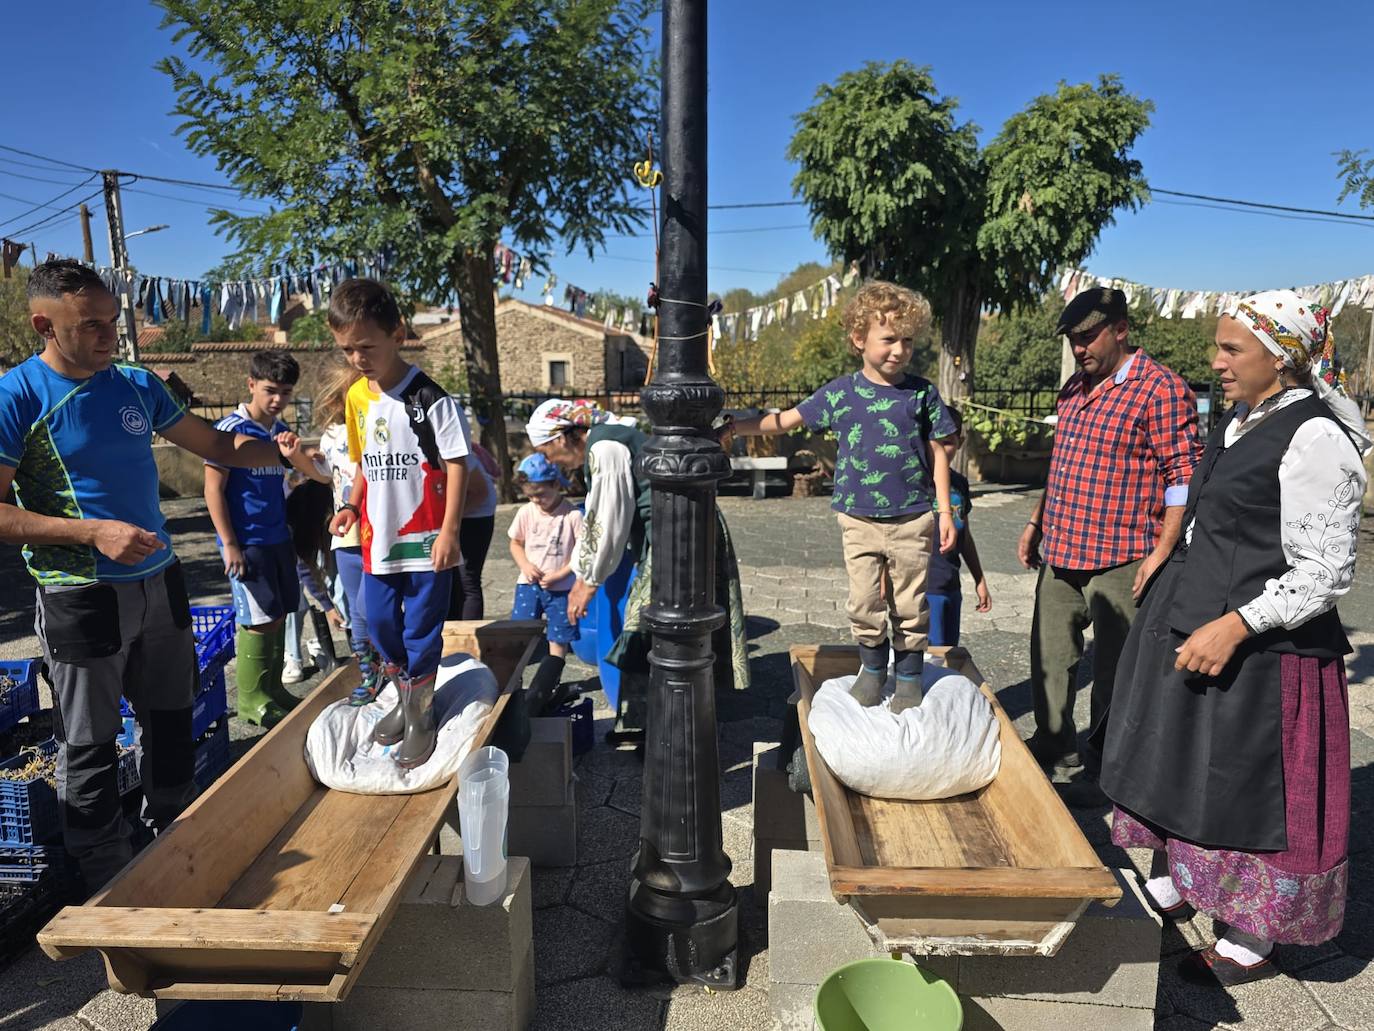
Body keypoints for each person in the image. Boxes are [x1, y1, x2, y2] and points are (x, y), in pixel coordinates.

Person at [0, 259, 306, 888]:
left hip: (161, 583)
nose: (110, 335)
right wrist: (92, 532)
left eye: (113, 320)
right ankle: (106, 877)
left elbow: (219, 447)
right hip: (79, 593)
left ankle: (177, 845)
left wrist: (280, 452)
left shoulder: (137, 384)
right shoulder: (17, 397)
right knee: (91, 743)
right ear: (43, 325)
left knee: (171, 720)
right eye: (91, 326)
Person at [1100, 290, 1369, 987]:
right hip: (1199, 622)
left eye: (1232, 349)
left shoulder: (1315, 438)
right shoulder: (1242, 418)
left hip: (1267, 652)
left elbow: (1326, 572)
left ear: (1281, 360)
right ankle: (1190, 881)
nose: (1214, 361)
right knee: (1190, 768)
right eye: (1216, 346)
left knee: (1250, 786)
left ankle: (1253, 931)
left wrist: (1236, 622)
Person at [733, 281, 956, 714]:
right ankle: (872, 670)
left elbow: (939, 450)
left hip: (912, 517)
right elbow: (784, 421)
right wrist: (734, 427)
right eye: (889, 339)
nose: (899, 350)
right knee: (863, 601)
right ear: (860, 339)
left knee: (910, 602)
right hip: (858, 518)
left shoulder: (922, 393)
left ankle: (908, 676)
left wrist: (944, 511)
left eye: (907, 340)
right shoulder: (841, 393)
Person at [1018, 287, 1201, 797]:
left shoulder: (1160, 388)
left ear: (1120, 329)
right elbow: (1061, 465)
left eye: (1088, 336)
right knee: (1049, 661)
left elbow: (1183, 477)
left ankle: (1105, 768)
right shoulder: (1073, 389)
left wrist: (1162, 553)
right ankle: (1054, 746)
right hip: (1061, 548)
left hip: (1124, 555)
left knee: (1116, 673)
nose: (1079, 348)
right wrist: (1036, 522)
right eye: (1073, 340)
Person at [528, 398, 750, 743]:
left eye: (545, 450)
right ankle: (654, 725)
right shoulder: (612, 437)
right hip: (679, 531)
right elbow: (600, 520)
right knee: (658, 632)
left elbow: (608, 517)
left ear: (561, 437)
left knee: (641, 633)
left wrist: (588, 581)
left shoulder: (605, 447)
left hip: (675, 537)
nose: (549, 461)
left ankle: (656, 731)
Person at [327, 278, 468, 769]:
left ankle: (420, 714)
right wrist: (349, 503)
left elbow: (456, 465)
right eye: (347, 349)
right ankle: (406, 699)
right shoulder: (356, 399)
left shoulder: (431, 398)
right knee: (380, 624)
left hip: (427, 540)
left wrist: (450, 532)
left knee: (422, 630)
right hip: (376, 540)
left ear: (397, 334)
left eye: (366, 346)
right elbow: (364, 462)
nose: (357, 358)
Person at [204, 350, 330, 727]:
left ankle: (273, 689)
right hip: (247, 542)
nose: (278, 400)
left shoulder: (278, 432)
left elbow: (309, 478)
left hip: (278, 538)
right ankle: (251, 700)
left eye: (286, 392)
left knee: (276, 615)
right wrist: (229, 543)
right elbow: (213, 489)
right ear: (251, 385)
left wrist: (300, 458)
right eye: (270, 390)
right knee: (257, 620)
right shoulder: (229, 430)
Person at [313, 360, 383, 705]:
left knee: (370, 606)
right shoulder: (330, 437)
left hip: (376, 527)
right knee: (357, 610)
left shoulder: (375, 426)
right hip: (346, 534)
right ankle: (369, 674)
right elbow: (323, 474)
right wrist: (296, 455)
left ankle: (393, 664)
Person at [508, 453, 583, 713]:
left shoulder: (572, 516)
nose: (536, 500)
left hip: (560, 587)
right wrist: (525, 565)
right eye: (530, 495)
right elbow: (515, 542)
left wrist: (562, 573)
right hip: (529, 584)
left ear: (555, 485)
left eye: (540, 494)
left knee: (559, 635)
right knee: (520, 632)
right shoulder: (526, 512)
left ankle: (551, 679)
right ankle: (513, 681)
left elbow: (581, 552)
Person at [925, 408, 991, 646]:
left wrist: (979, 579)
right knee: (931, 657)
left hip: (951, 586)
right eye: (935, 442)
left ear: (960, 442)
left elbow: (965, 535)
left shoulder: (960, 484)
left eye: (948, 443)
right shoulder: (913, 484)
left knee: (949, 653)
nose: (942, 450)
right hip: (922, 589)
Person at [285, 478, 345, 679]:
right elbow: (305, 570)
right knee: (298, 604)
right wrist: (327, 607)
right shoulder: (294, 525)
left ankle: (340, 648)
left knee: (336, 585)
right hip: (291, 553)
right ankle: (299, 654)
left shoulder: (329, 514)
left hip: (321, 546)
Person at [447, 426, 498, 620]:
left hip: (476, 515)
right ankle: (451, 631)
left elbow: (480, 493)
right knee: (450, 578)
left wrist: (448, 520)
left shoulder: (458, 454)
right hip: (459, 514)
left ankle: (469, 635)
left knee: (466, 577)